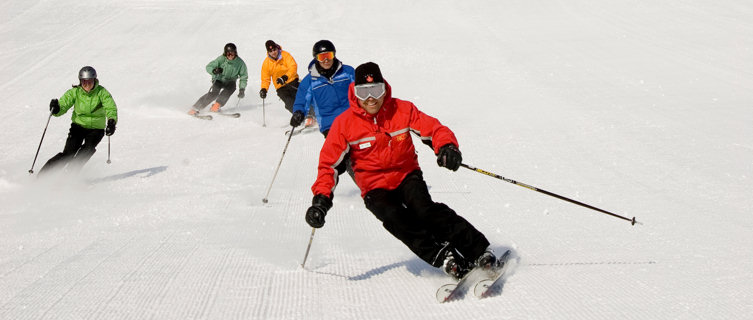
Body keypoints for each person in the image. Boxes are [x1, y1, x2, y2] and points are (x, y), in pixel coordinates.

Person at [304, 62, 496, 280]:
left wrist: (446, 147)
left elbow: (433, 129)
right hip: (374, 185)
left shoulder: (402, 110)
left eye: (375, 90)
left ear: (384, 88)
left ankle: (478, 250)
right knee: (396, 217)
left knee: (424, 209)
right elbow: (329, 165)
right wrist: (321, 199)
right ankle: (444, 257)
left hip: (406, 175)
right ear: (354, 92)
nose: (370, 99)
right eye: (363, 92)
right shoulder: (344, 124)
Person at [39, 66, 118, 174]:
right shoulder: (75, 92)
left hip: (96, 128)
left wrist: (111, 122)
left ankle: (69, 174)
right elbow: (64, 104)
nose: (87, 85)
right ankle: (45, 174)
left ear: (94, 80)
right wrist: (56, 109)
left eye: (89, 82)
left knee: (87, 149)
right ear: (80, 81)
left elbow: (110, 107)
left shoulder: (102, 92)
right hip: (78, 126)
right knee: (68, 154)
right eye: (84, 82)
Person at [289, 40, 354, 132]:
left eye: (329, 56)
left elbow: (360, 89)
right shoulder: (310, 81)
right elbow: (302, 100)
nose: (326, 60)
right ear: (316, 58)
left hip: (353, 118)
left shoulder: (347, 72)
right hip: (329, 124)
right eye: (321, 57)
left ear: (334, 55)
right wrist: (298, 112)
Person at [188, 43, 248, 115]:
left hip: (230, 81)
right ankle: (196, 108)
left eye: (232, 53)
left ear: (235, 52)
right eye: (228, 53)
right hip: (219, 79)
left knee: (231, 87)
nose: (230, 55)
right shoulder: (221, 59)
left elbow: (244, 76)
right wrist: (214, 71)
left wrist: (242, 89)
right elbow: (209, 67)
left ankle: (216, 105)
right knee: (214, 93)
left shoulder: (240, 63)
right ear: (225, 53)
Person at [259, 40, 299, 114]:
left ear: (277, 48)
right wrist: (264, 89)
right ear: (268, 52)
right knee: (289, 102)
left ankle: (312, 114)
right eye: (270, 51)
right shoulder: (266, 63)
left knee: (299, 98)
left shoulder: (285, 55)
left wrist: (285, 77)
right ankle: (299, 117)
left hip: (292, 81)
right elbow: (265, 78)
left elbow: (293, 67)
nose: (273, 52)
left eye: (274, 49)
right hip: (281, 87)